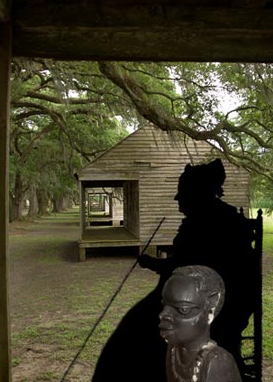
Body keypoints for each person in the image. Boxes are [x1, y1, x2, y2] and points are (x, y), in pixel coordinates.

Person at [91, 159, 256, 382]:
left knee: (135, 337)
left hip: (209, 310)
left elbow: (192, 272)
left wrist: (156, 265)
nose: (177, 198)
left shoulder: (212, 225)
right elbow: (182, 265)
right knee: (134, 328)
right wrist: (153, 263)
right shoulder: (205, 221)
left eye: (182, 192)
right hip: (185, 301)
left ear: (197, 193)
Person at [160, 265, 241, 382]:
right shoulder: (173, 349)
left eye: (183, 309)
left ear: (211, 307)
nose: (162, 315)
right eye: (164, 305)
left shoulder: (218, 361)